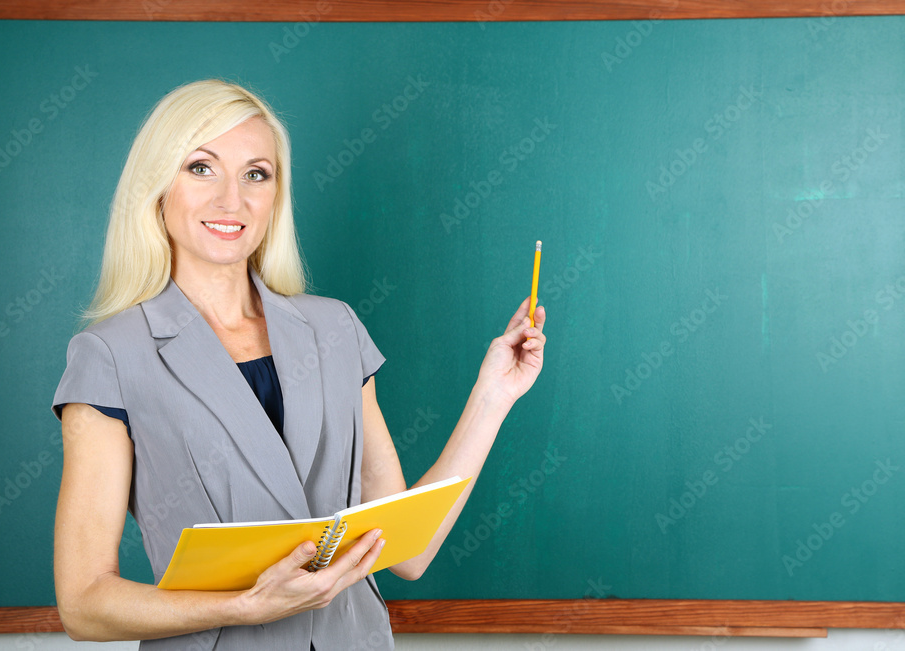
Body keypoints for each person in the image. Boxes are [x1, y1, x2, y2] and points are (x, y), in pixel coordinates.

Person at [51, 79, 547, 650]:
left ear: (275, 196)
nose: (231, 201)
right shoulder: (110, 355)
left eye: (255, 174)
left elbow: (409, 551)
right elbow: (84, 604)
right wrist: (246, 606)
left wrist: (493, 396)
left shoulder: (335, 328)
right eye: (200, 168)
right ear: (157, 186)